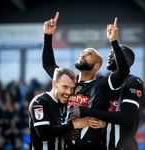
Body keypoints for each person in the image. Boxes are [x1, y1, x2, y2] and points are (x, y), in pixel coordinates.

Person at [42, 12, 130, 150]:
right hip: (64, 145)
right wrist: (48, 36)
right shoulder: (68, 81)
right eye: (82, 53)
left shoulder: (102, 84)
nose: (83, 55)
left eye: (89, 54)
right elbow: (48, 65)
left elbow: (124, 71)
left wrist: (113, 41)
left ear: (97, 66)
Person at [68, 45, 145, 150]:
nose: (110, 54)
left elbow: (126, 118)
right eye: (110, 51)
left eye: (114, 52)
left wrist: (88, 112)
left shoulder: (133, 82)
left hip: (123, 146)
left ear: (126, 60)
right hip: (102, 145)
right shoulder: (103, 83)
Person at [28, 67, 89, 150]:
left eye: (72, 88)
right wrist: (73, 125)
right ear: (54, 84)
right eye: (65, 87)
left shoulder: (67, 104)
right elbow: (44, 133)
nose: (69, 92)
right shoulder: (39, 102)